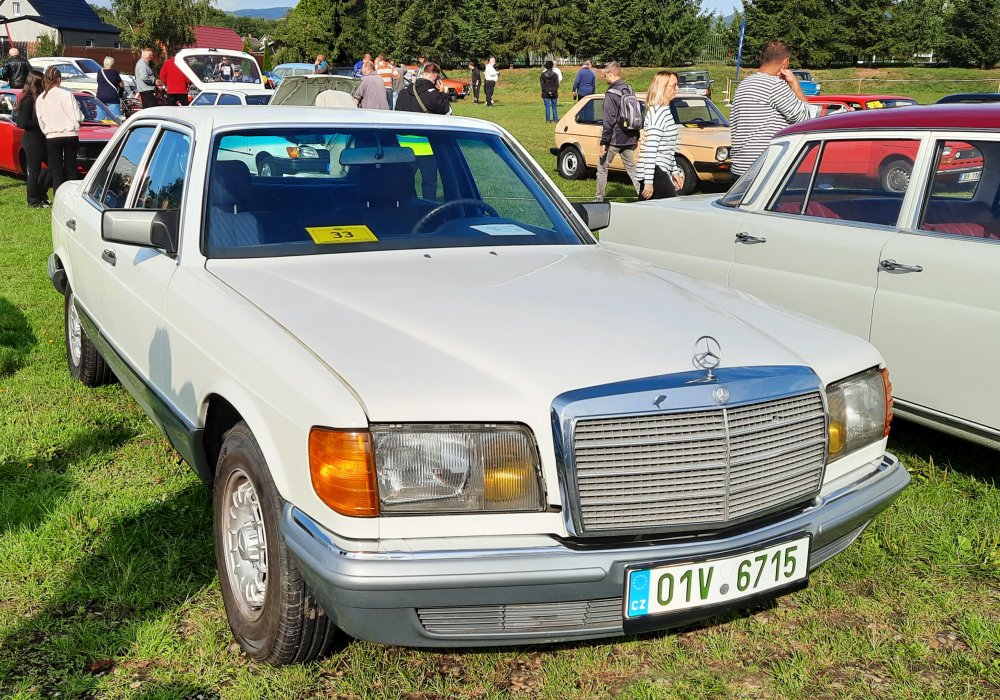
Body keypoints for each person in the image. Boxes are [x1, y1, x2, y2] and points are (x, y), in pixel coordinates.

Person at [730, 39, 811, 177]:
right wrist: (794, 83)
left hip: (739, 167)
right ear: (785, 62)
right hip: (764, 169)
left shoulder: (744, 84)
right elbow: (807, 118)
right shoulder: (775, 86)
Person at [595, 61, 638, 202]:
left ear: (610, 74)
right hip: (630, 135)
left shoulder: (611, 93)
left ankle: (598, 199)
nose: (604, 78)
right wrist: (636, 135)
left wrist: (603, 143)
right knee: (631, 168)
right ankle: (644, 195)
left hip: (615, 138)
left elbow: (609, 120)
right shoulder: (629, 89)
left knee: (602, 167)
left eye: (605, 75)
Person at [35, 66, 83, 193]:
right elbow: (77, 116)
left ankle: (58, 196)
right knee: (71, 167)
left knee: (56, 170)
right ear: (59, 79)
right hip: (70, 134)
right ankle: (72, 195)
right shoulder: (67, 95)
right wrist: (80, 119)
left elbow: (41, 120)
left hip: (52, 136)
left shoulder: (41, 98)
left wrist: (47, 131)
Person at [637, 71, 684, 200]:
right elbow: (650, 150)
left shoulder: (665, 111)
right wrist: (648, 182)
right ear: (662, 88)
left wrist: (674, 171)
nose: (677, 89)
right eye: (673, 86)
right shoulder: (657, 114)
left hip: (661, 170)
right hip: (655, 172)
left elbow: (667, 148)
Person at [16, 69, 49, 207]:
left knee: (53, 166)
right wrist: (42, 122)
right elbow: (23, 123)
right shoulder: (28, 99)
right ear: (35, 82)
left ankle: (41, 193)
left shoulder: (39, 98)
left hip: (42, 138)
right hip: (32, 139)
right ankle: (33, 200)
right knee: (34, 171)